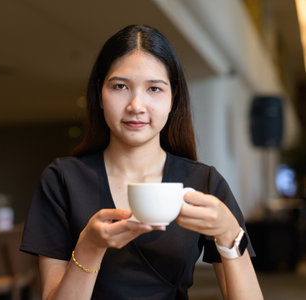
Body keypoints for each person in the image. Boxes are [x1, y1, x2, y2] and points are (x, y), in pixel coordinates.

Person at [20, 24, 263, 300]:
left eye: (154, 89)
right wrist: (90, 246)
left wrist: (229, 232)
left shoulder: (204, 183)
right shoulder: (63, 180)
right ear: (100, 93)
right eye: (120, 86)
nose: (136, 105)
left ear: (174, 98)